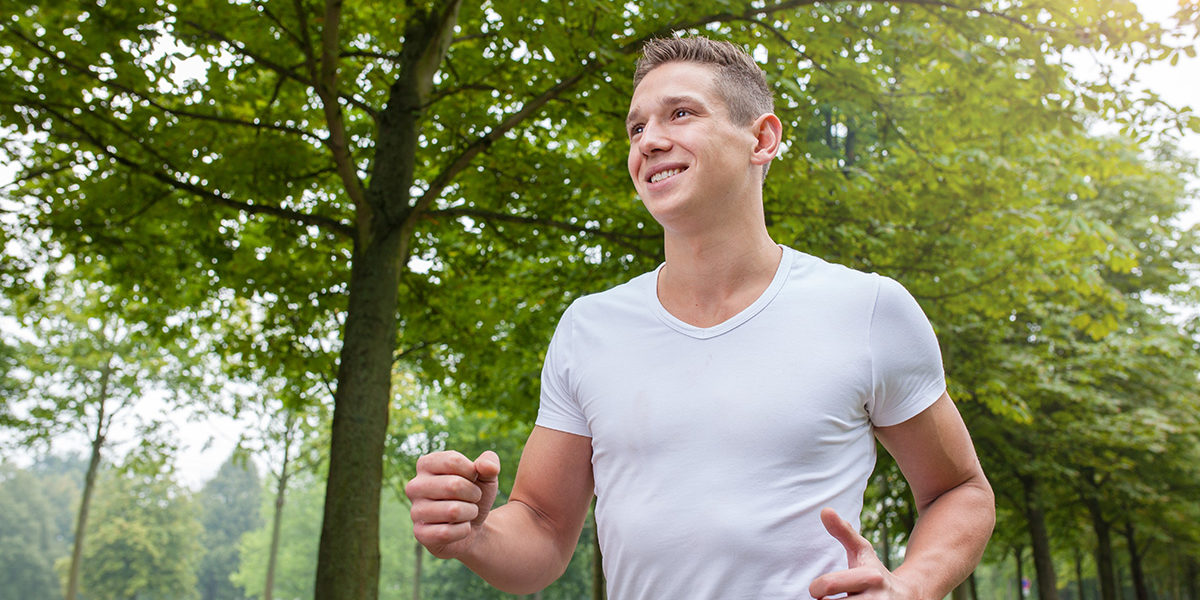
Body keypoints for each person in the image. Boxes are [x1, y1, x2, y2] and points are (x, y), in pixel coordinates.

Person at [405, 36, 994, 599]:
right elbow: (542, 528)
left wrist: (913, 585)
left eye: (680, 114)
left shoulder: (867, 309)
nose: (649, 141)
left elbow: (959, 490)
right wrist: (474, 533)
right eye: (637, 128)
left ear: (762, 139)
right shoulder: (589, 330)